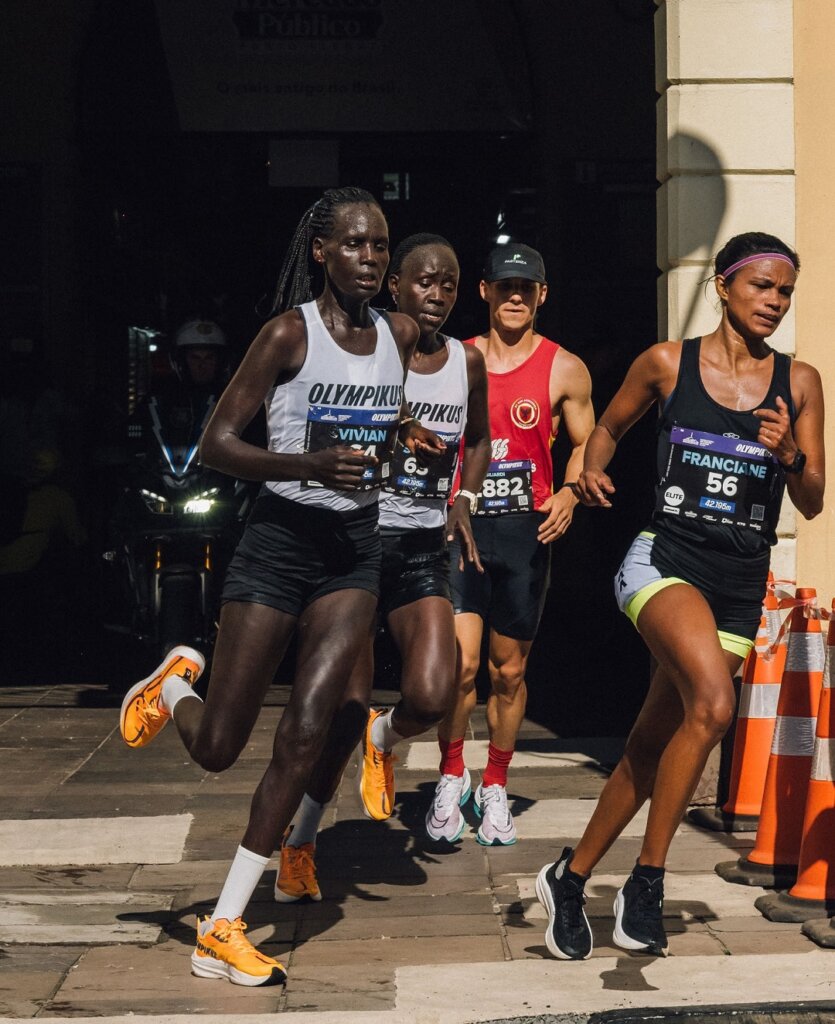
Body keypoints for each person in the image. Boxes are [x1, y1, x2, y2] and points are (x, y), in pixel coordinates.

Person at [118, 186, 443, 986]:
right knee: (220, 749)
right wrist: (304, 465)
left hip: (353, 551)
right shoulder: (287, 334)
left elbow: (378, 412)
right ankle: (174, 684)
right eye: (355, 244)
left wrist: (406, 435)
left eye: (380, 246)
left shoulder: (399, 333)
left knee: (307, 730)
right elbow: (216, 444)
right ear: (322, 252)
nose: (369, 258)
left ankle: (224, 925)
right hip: (278, 544)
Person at [535, 231, 825, 961]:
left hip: (739, 583)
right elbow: (607, 427)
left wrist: (790, 455)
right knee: (714, 706)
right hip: (663, 562)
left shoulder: (799, 382)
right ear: (723, 285)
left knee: (649, 745)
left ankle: (569, 878)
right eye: (761, 285)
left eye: (785, 292)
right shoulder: (667, 363)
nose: (774, 301)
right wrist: (587, 471)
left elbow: (814, 497)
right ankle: (647, 881)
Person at [271, 233, 491, 901]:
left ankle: (385, 736)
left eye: (448, 284)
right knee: (341, 712)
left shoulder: (466, 361)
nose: (436, 294)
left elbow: (480, 439)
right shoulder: (372, 350)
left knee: (432, 693)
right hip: (361, 542)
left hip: (422, 546)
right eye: (424, 281)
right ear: (395, 287)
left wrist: (464, 498)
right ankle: (300, 842)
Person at [430, 242, 596, 845]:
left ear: (542, 295)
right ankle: (452, 774)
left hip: (525, 533)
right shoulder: (454, 358)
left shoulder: (564, 367)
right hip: (462, 527)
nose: (516, 297)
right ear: (485, 291)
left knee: (509, 670)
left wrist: (571, 492)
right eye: (505, 287)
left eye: (526, 288)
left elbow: (588, 440)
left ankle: (495, 783)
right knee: (459, 666)